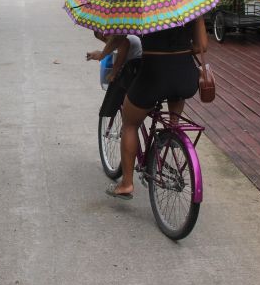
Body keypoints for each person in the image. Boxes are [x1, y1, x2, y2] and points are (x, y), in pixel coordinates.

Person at [105, 18, 208, 200]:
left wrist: (103, 52)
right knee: (173, 101)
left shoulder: (144, 5)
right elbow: (202, 46)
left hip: (154, 76)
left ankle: (126, 183)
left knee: (129, 124)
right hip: (186, 77)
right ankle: (171, 133)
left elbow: (122, 39)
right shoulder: (189, 5)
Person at [87, 33, 143, 117]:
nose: (106, 42)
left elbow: (120, 59)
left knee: (116, 84)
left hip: (135, 70)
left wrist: (113, 74)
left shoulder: (123, 40)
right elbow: (115, 52)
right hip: (135, 69)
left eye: (105, 39)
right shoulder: (122, 40)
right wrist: (101, 54)